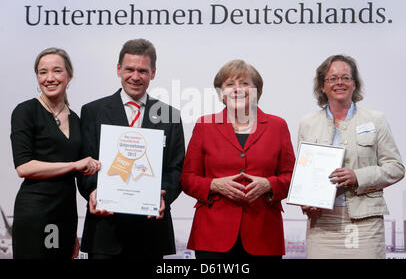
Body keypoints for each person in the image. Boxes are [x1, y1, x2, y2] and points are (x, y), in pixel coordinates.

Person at [77, 39, 185, 259]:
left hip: (151, 232)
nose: (135, 76)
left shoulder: (169, 115)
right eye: (129, 69)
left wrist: (162, 194)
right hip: (105, 230)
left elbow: (177, 168)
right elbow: (84, 164)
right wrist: (93, 191)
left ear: (153, 73)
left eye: (143, 71)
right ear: (118, 69)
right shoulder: (93, 111)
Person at [180, 59, 295, 259]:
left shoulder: (278, 126)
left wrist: (269, 184)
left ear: (257, 91)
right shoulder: (204, 126)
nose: (237, 89)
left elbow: (292, 177)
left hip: (263, 235)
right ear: (221, 93)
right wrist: (214, 185)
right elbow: (187, 179)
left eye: (245, 84)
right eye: (230, 84)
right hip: (212, 236)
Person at [299, 54, 405, 259]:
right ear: (322, 86)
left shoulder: (376, 120)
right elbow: (304, 171)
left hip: (365, 222)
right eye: (332, 78)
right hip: (322, 223)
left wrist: (359, 176)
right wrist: (305, 200)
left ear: (354, 84)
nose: (339, 82)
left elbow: (396, 168)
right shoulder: (307, 123)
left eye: (346, 77)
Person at [10, 47, 101, 259]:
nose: (49, 78)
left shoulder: (77, 120)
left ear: (69, 76)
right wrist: (74, 165)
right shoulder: (25, 111)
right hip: (35, 213)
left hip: (66, 215)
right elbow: (24, 167)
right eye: (43, 72)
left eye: (57, 71)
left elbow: (86, 170)